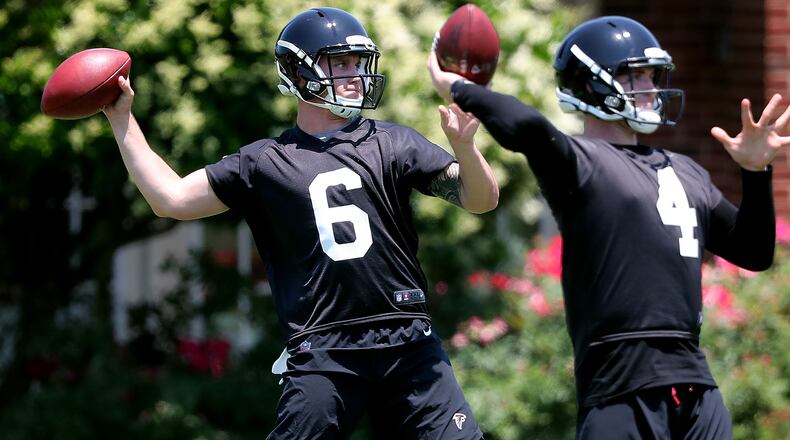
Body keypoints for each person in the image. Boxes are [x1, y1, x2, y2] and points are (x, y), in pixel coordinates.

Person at [103, 7, 497, 439]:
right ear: (298, 69)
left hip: (407, 340)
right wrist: (122, 118)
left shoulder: (393, 142)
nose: (354, 74)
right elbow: (171, 199)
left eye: (357, 63)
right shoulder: (264, 162)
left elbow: (481, 199)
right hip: (324, 351)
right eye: (339, 62)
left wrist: (465, 147)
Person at [428, 15, 788, 439]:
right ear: (591, 84)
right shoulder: (580, 163)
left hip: (696, 388)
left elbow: (754, 251)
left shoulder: (685, 171)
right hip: (621, 389)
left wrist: (757, 173)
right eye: (637, 76)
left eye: (654, 76)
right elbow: (526, 127)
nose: (652, 88)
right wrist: (459, 87)